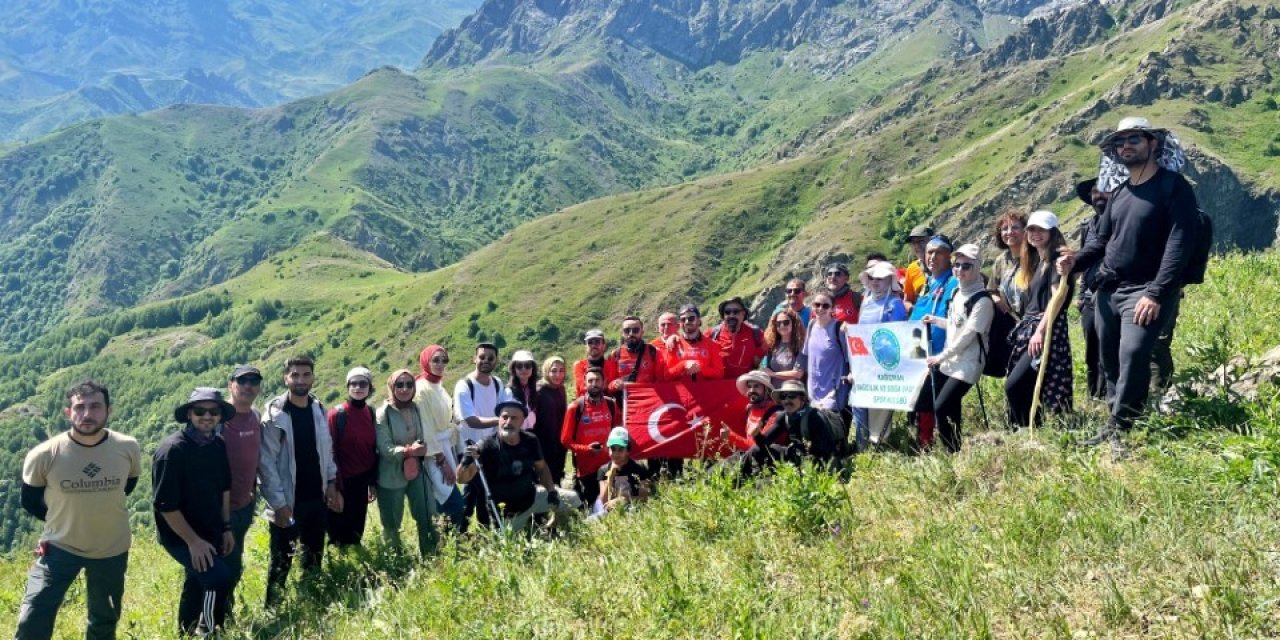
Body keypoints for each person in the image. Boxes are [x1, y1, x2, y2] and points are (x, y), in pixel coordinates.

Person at [1059, 117, 1198, 452]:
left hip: (1145, 290)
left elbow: (1180, 243)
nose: (1126, 147)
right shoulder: (1120, 192)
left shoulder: (1173, 187)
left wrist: (1155, 292)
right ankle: (1113, 420)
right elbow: (1101, 241)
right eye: (1120, 143)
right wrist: (1074, 261)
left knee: (1134, 353)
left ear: (1152, 144)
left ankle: (1124, 426)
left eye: (1134, 139)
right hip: (1110, 290)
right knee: (1109, 360)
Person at [17, 381, 141, 640]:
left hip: (111, 548)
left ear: (109, 411)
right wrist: (61, 521)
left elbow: (126, 486)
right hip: (60, 547)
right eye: (79, 407)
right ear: (68, 412)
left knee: (104, 619)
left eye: (95, 406)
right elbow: (30, 500)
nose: (87, 414)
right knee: (33, 616)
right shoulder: (44, 454)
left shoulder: (127, 447)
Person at [258, 354, 342, 609]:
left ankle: (310, 599)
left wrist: (330, 482)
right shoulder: (276, 414)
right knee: (282, 558)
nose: (301, 380)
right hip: (288, 502)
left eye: (306, 375)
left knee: (314, 552)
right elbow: (266, 464)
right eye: (295, 375)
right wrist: (279, 504)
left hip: (315, 498)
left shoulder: (317, 408)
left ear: (313, 377)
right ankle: (273, 610)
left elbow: (325, 449)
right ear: (286, 378)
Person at [152, 388, 236, 636]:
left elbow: (224, 488)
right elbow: (166, 505)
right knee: (218, 577)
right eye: (200, 411)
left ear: (220, 416)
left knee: (197, 579)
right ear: (189, 414)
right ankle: (208, 630)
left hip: (209, 529)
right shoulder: (172, 451)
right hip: (179, 535)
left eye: (214, 411)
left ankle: (185, 631)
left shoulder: (217, 444)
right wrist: (193, 542)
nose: (207, 416)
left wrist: (226, 527)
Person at [457, 401, 582, 532]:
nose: (508, 422)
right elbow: (462, 480)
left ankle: (552, 527)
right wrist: (465, 462)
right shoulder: (486, 446)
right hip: (507, 513)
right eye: (504, 417)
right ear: (499, 419)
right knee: (507, 544)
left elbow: (542, 468)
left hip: (532, 498)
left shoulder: (530, 440)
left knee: (573, 499)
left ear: (522, 421)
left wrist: (551, 491)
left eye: (514, 418)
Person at [921, 245, 994, 452]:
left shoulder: (983, 301)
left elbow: (968, 336)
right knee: (950, 407)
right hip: (951, 360)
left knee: (942, 406)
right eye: (957, 265)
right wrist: (936, 320)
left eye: (966, 266)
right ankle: (953, 450)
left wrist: (940, 356)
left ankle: (951, 450)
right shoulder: (956, 292)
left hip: (969, 363)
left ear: (978, 268)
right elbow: (956, 325)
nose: (960, 270)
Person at [1007, 211, 1074, 428]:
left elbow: (1058, 297)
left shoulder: (1055, 258)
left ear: (1052, 232)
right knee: (1026, 383)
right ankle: (1031, 428)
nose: (1035, 234)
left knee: (1015, 385)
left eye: (1041, 229)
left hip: (1044, 328)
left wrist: (1041, 332)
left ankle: (1025, 428)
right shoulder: (1039, 260)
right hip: (1033, 326)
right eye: (1032, 229)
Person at [375, 370, 440, 556]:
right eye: (399, 385)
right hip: (391, 476)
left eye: (409, 385)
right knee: (392, 523)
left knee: (427, 514)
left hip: (417, 471)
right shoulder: (383, 414)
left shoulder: (415, 408)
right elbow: (385, 448)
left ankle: (431, 555)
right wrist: (410, 451)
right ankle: (395, 562)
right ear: (391, 387)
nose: (404, 389)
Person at [454, 342, 515, 526]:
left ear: (497, 361)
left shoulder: (497, 384)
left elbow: (507, 409)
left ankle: (460, 530)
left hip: (489, 448)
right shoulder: (464, 385)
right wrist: (501, 421)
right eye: (482, 357)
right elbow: (470, 420)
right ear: (474, 358)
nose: (485, 361)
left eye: (490, 358)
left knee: (473, 491)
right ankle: (483, 528)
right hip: (469, 448)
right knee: (482, 490)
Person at [907, 235, 958, 448]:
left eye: (938, 252)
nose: (932, 257)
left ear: (949, 256)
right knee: (923, 400)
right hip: (919, 350)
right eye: (929, 252)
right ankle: (925, 442)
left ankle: (949, 445)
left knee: (936, 401)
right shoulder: (927, 283)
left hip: (942, 352)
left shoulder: (954, 281)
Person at [852, 261, 908, 449]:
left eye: (880, 278)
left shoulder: (895, 304)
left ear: (889, 280)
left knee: (879, 408)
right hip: (863, 362)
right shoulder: (866, 302)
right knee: (859, 405)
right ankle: (861, 447)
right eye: (872, 278)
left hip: (883, 363)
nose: (875, 281)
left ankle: (879, 447)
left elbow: (897, 335)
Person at [220, 365, 262, 617]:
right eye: (242, 380)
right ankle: (210, 621)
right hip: (219, 510)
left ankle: (224, 613)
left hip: (245, 506)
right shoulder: (217, 418)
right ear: (230, 385)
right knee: (221, 568)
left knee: (234, 563)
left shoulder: (256, 416)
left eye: (254, 380)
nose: (248, 385)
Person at [739, 381, 844, 474]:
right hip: (795, 455)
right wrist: (757, 435)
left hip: (815, 461)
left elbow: (828, 451)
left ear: (802, 398)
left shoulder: (815, 417)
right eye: (783, 396)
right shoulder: (784, 416)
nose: (787, 401)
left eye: (792, 396)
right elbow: (764, 444)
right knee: (756, 449)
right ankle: (738, 478)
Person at [324, 367, 378, 548]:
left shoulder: (370, 412)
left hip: (361, 482)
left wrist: (372, 482)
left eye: (362, 383)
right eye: (353, 383)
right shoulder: (336, 415)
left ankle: (355, 565)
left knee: (356, 531)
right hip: (342, 481)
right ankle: (339, 570)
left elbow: (371, 450)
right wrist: (336, 488)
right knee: (338, 533)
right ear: (347, 387)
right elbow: (329, 452)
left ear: (370, 387)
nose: (357, 387)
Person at [414, 345, 465, 529]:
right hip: (433, 455)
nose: (440, 364)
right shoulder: (421, 390)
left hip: (445, 448)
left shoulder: (439, 387)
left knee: (446, 502)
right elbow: (426, 428)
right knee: (453, 503)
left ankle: (447, 542)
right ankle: (448, 543)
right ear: (426, 361)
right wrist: (441, 461)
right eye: (436, 360)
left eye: (444, 360)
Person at [560, 367, 621, 509]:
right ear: (584, 384)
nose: (594, 383)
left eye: (597, 380)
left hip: (609, 466)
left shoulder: (611, 404)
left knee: (610, 506)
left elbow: (617, 431)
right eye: (590, 381)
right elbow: (565, 440)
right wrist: (586, 449)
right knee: (592, 507)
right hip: (587, 469)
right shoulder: (576, 407)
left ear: (604, 382)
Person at [1074, 180, 1110, 400]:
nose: (1098, 195)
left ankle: (1108, 395)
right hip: (1089, 296)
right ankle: (1093, 394)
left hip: (1110, 291)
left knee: (1109, 346)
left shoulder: (1119, 221)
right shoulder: (1088, 226)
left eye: (1102, 190)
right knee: (1091, 349)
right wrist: (1080, 295)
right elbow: (1086, 260)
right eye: (1094, 191)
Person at [800, 293, 849, 412]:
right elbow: (806, 354)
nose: (820, 309)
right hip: (813, 393)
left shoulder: (839, 329)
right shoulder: (811, 325)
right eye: (817, 304)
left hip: (834, 394)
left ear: (832, 309)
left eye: (825, 306)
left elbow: (850, 358)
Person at [594, 427, 652, 516]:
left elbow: (644, 498)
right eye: (613, 449)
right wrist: (610, 475)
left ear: (628, 451)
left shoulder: (639, 468)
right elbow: (604, 501)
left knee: (631, 513)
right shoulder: (603, 469)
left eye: (620, 449)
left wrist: (624, 499)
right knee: (598, 514)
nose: (616, 453)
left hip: (631, 504)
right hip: (610, 506)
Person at [604, 316, 663, 401]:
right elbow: (609, 385)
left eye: (635, 330)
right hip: (625, 404)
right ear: (622, 333)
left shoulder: (653, 352)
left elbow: (661, 381)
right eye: (627, 330)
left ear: (642, 332)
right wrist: (615, 384)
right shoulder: (615, 354)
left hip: (648, 402)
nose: (631, 334)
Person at [707, 296, 766, 379]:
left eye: (736, 312)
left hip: (745, 387)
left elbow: (763, 361)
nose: (731, 315)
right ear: (723, 315)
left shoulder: (756, 333)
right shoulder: (712, 334)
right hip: (718, 387)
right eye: (727, 312)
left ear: (743, 314)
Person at [664, 304, 725, 381]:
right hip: (683, 392)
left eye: (691, 318)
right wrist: (683, 365)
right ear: (680, 323)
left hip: (705, 391)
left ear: (699, 321)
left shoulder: (713, 345)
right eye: (683, 319)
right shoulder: (673, 344)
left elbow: (720, 374)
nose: (687, 322)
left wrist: (701, 367)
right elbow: (667, 375)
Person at [534, 356, 570, 487]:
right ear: (546, 371)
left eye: (561, 371)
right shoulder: (539, 390)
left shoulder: (561, 389)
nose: (557, 375)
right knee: (544, 476)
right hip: (543, 441)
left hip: (559, 440)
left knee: (557, 473)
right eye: (553, 370)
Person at [988, 209, 1030, 320]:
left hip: (1037, 322)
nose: (1009, 232)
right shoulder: (1000, 261)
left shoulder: (1036, 256)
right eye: (1005, 228)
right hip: (1013, 325)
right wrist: (999, 302)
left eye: (1015, 227)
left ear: (1025, 231)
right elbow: (992, 291)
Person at [761, 307, 805, 386]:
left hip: (794, 393)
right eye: (778, 323)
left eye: (786, 322)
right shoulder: (772, 345)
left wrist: (773, 374)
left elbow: (798, 374)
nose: (782, 326)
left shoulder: (801, 345)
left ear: (794, 323)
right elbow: (766, 368)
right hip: (774, 392)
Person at [902, 224, 934, 312]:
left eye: (921, 241)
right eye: (913, 243)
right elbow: (907, 300)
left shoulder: (948, 262)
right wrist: (913, 310)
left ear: (932, 241)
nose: (917, 246)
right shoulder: (912, 269)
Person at [574, 329, 613, 398]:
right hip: (585, 406)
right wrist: (604, 387)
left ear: (604, 345)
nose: (593, 345)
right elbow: (582, 388)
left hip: (607, 406)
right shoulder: (579, 366)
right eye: (590, 342)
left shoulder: (612, 365)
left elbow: (614, 387)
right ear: (586, 346)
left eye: (597, 342)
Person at [508, 350, 540, 429]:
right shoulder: (509, 392)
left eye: (527, 365)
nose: (523, 369)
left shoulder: (535, 390)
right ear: (514, 369)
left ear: (533, 368)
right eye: (519, 366)